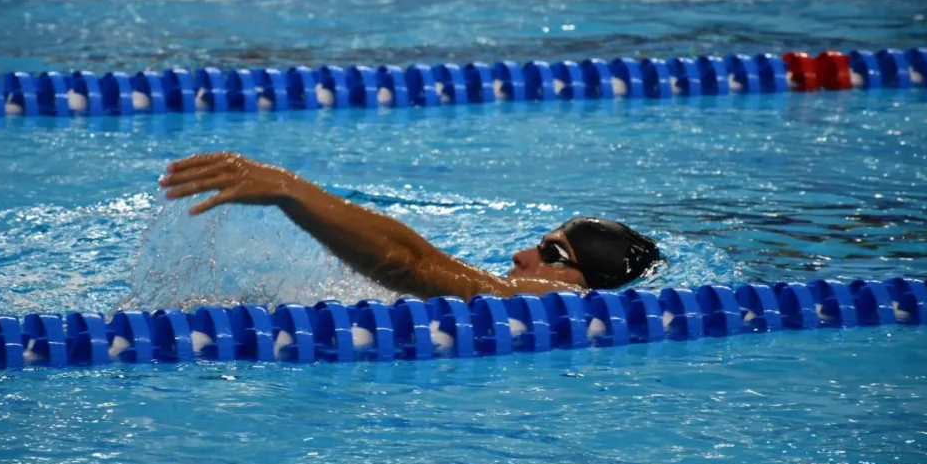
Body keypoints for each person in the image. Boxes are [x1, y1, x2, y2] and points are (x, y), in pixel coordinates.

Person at [159, 151, 661, 301]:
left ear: (586, 284)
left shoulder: (555, 303)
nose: (521, 257)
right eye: (538, 245)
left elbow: (410, 263)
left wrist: (293, 192)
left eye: (553, 256)